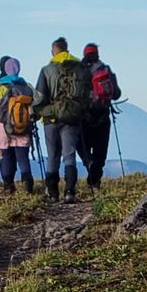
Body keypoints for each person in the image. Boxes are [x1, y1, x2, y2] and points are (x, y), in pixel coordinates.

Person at [33, 36, 89, 203]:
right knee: (69, 155)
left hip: (50, 118)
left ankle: (52, 193)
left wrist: (36, 111)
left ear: (53, 51)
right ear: (67, 50)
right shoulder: (80, 69)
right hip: (72, 118)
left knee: (53, 155)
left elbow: (39, 96)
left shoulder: (46, 70)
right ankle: (70, 191)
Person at [0, 56, 35, 194]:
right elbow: (33, 110)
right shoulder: (27, 87)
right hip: (22, 128)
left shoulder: (1, 88)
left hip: (4, 129)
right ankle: (27, 184)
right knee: (23, 158)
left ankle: (8, 186)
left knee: (6, 157)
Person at [78, 42, 122, 190]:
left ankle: (88, 163)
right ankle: (95, 181)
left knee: (83, 146)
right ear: (97, 54)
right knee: (100, 150)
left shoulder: (79, 71)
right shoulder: (105, 70)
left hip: (84, 116)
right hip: (102, 115)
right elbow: (116, 94)